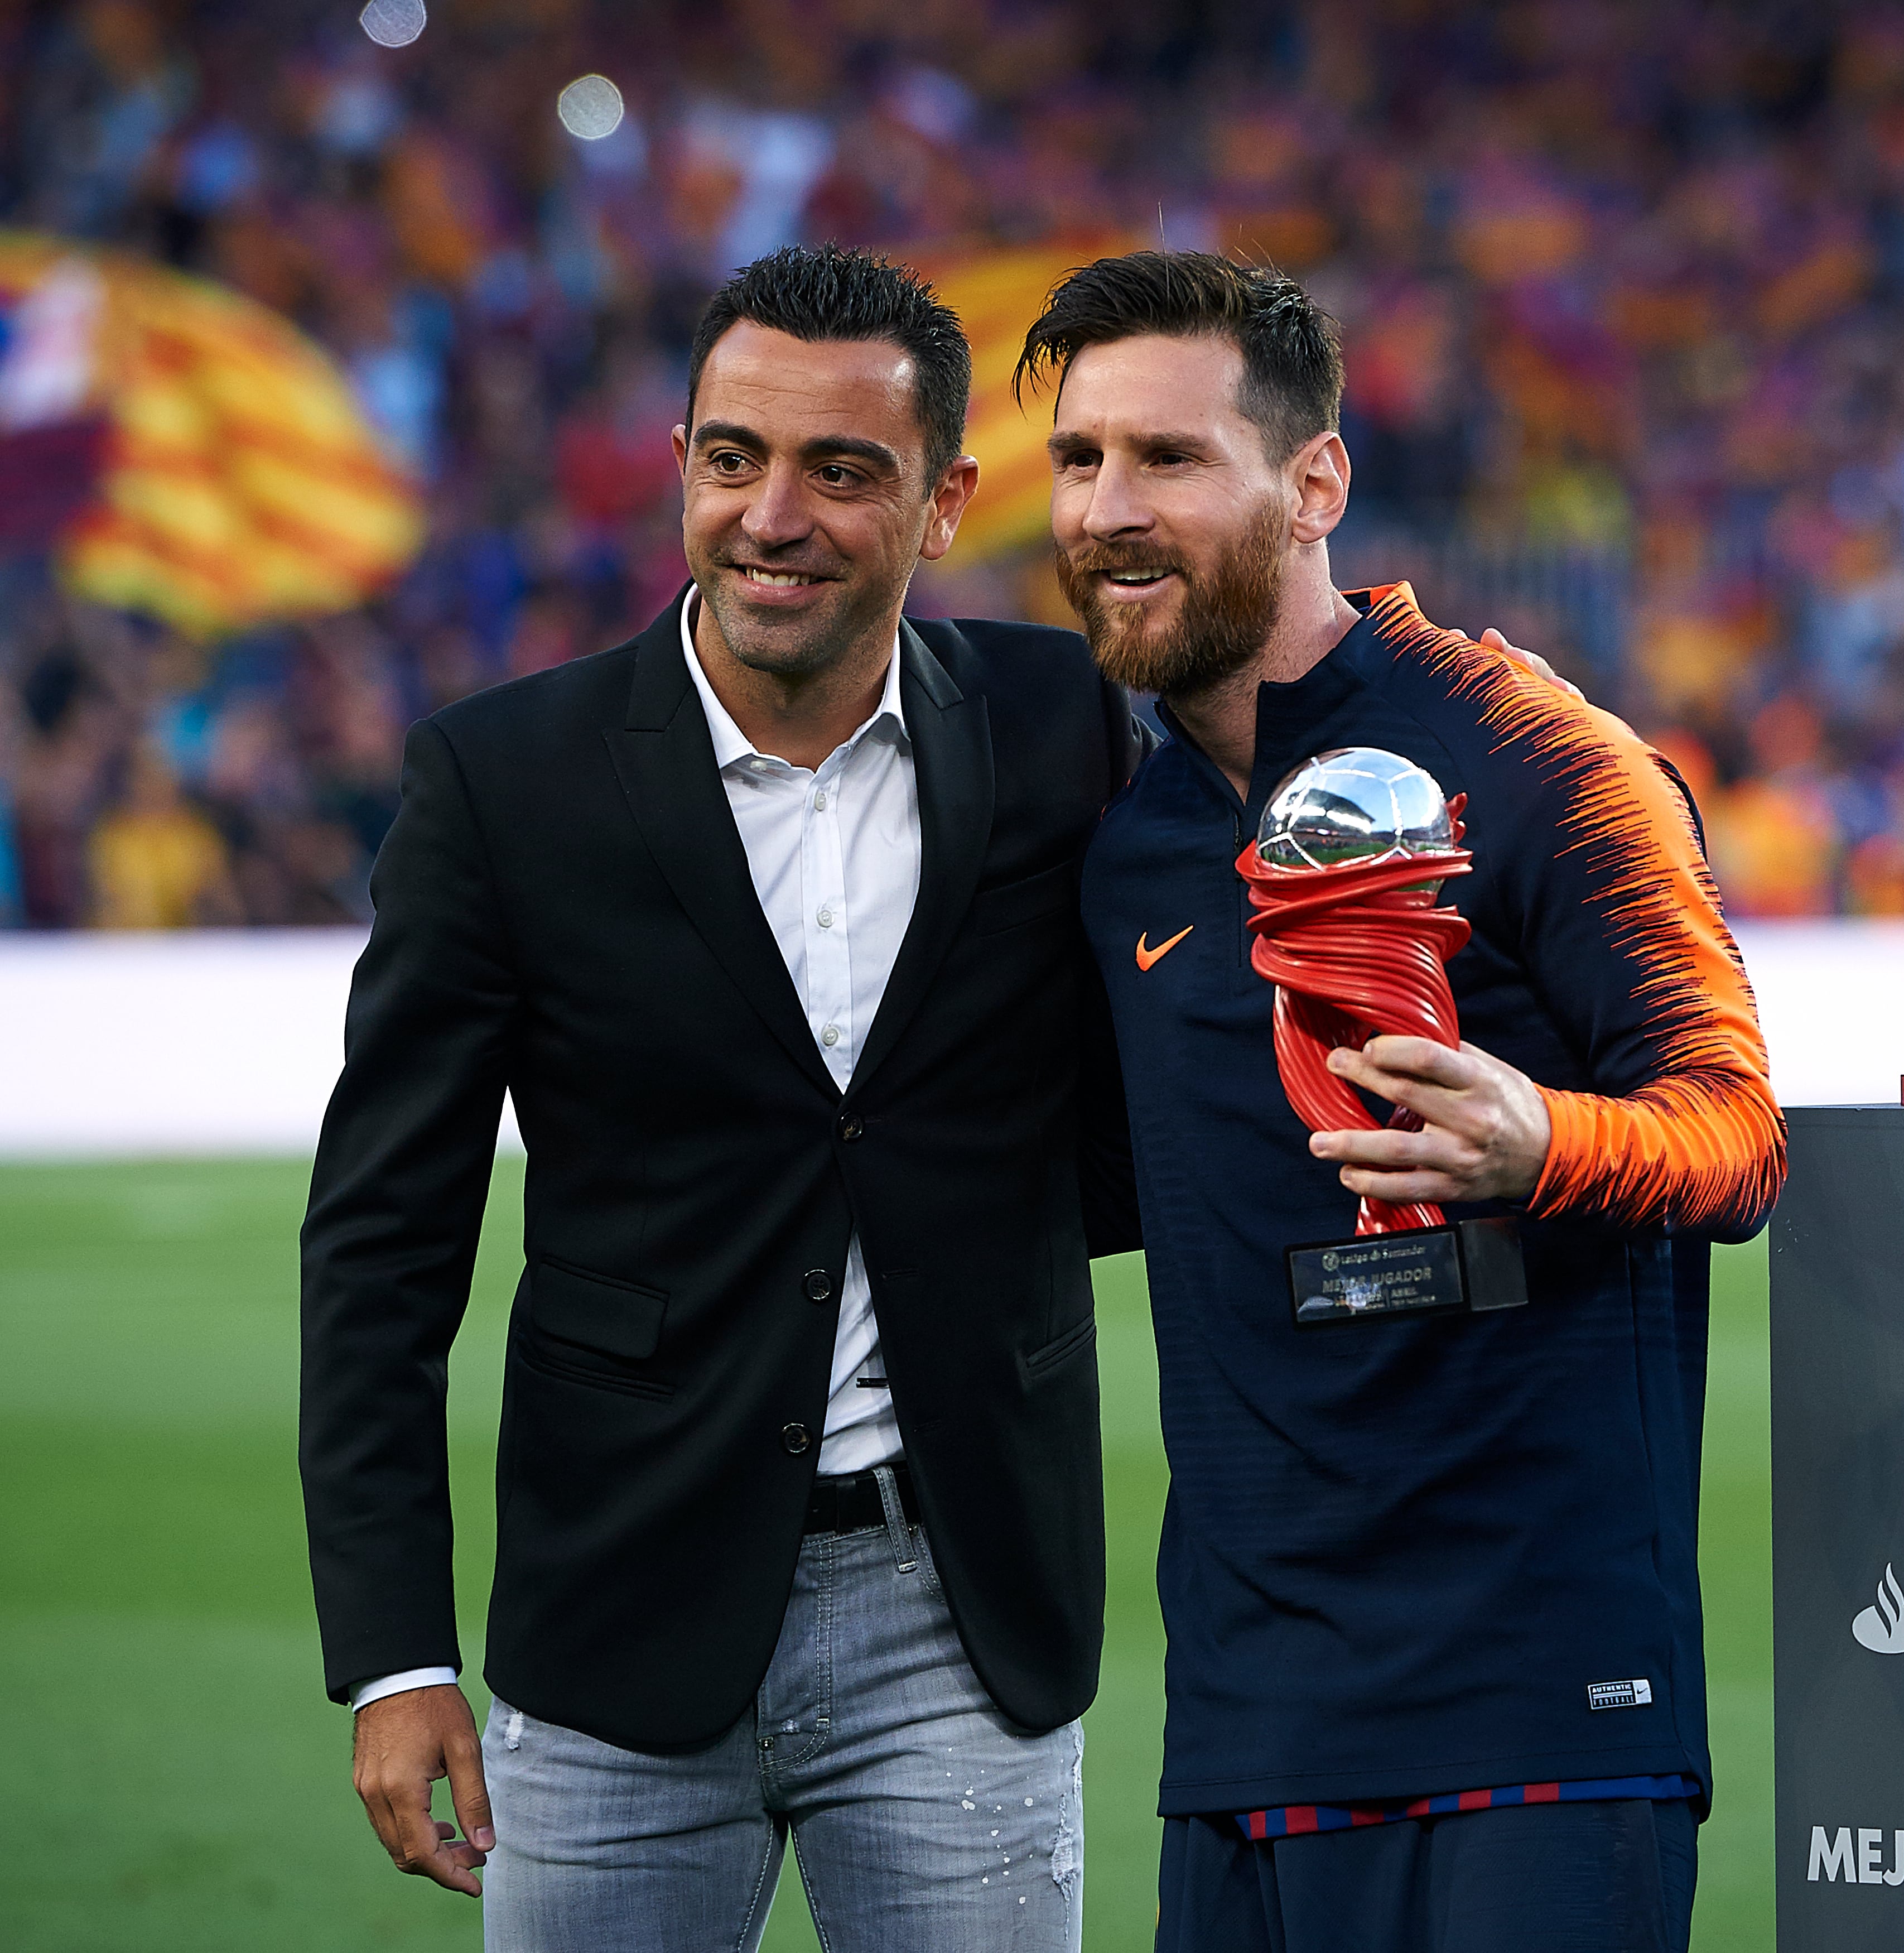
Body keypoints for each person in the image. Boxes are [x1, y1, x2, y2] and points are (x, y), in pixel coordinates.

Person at [298, 244, 1143, 1950]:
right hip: (615, 1615)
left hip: (961, 1611)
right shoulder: (503, 782)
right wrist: (393, 1655)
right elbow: (383, 1245)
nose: (774, 516)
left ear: (943, 502)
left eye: (843, 470)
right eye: (735, 457)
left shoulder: (1066, 728)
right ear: (682, 461)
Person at [1026, 251, 1786, 1952]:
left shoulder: (1545, 761)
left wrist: (1544, 1139)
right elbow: (1103, 1188)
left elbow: (1738, 1133)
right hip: (1249, 1733)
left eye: (1167, 456)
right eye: (1080, 459)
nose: (1106, 508)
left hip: (1542, 1719)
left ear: (1316, 485)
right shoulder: (1133, 843)